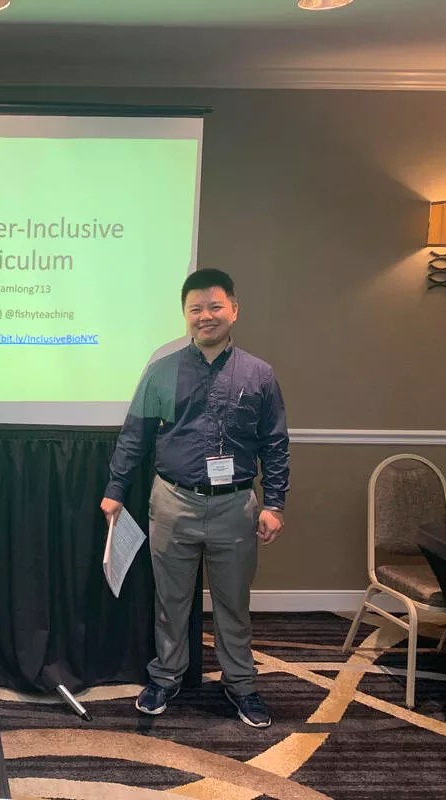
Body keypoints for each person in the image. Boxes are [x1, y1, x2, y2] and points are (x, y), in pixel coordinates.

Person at [100, 268, 289, 729]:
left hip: (235, 506)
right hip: (173, 502)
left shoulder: (259, 374)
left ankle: (241, 685)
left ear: (234, 310)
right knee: (171, 601)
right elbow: (135, 436)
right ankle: (165, 677)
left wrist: (274, 503)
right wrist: (115, 490)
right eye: (195, 309)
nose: (206, 316)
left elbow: (275, 443)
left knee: (233, 604)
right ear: (185, 315)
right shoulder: (161, 372)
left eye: (215, 306)